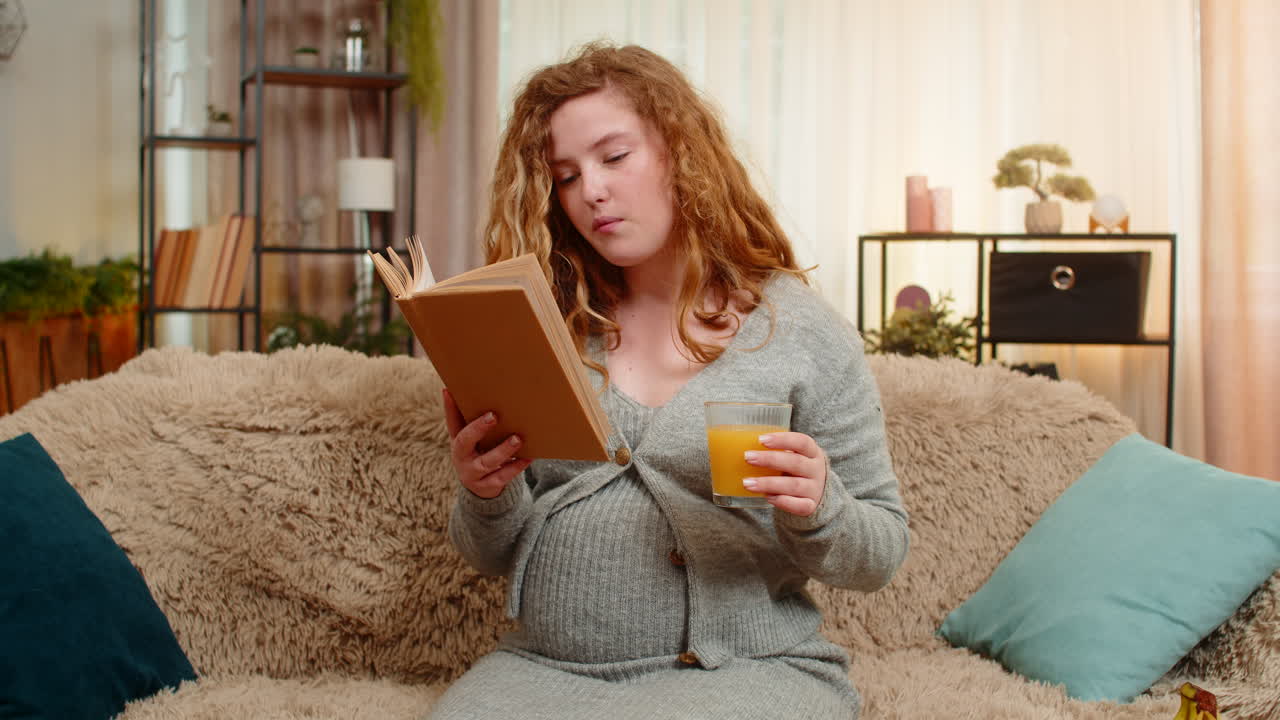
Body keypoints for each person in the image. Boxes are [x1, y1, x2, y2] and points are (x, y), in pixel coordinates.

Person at [428, 42, 908, 720]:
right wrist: (485, 494)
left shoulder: (800, 332)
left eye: (615, 157)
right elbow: (489, 554)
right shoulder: (548, 326)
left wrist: (821, 504)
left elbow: (880, 552)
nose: (591, 190)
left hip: (744, 672)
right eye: (565, 176)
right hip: (544, 669)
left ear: (682, 154)